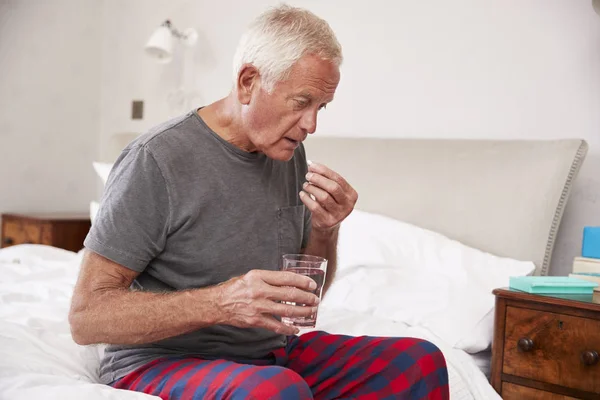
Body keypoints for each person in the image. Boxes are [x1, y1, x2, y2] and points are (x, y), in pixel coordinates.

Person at [69, 4, 449, 399]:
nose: (311, 125)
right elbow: (87, 317)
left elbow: (303, 298)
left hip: (267, 356)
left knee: (419, 361)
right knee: (275, 391)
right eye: (301, 102)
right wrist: (222, 302)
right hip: (160, 360)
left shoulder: (290, 156)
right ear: (249, 81)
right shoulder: (157, 159)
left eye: (321, 107)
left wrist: (326, 231)